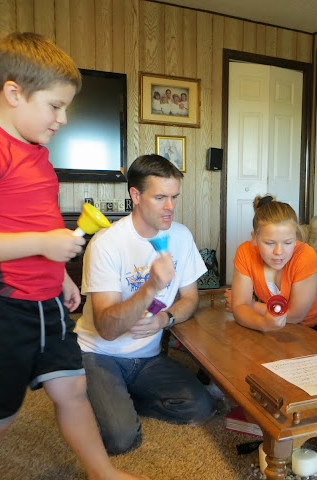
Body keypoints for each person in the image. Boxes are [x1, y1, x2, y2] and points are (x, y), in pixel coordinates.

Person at [0, 32, 145, 480]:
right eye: (55, 106)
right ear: (14, 93)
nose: (63, 118)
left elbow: (34, 223)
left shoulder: (38, 154)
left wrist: (60, 275)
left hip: (48, 304)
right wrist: (43, 244)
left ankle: (102, 472)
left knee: (73, 391)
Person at [75, 154, 214, 455]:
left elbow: (191, 298)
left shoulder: (181, 235)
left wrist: (165, 319)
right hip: (99, 354)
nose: (170, 206)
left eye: (174, 197)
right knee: (120, 438)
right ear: (136, 195)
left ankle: (118, 400)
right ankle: (99, 398)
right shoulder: (106, 244)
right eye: (160, 197)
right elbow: (107, 329)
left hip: (147, 357)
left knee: (201, 406)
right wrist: (151, 286)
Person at [225, 195, 317, 342]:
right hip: (282, 319)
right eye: (269, 243)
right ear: (254, 239)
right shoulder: (245, 252)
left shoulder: (306, 255)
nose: (279, 252)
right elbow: (239, 308)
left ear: (296, 238)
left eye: (288, 243)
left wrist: (252, 305)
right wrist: (263, 323)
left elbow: (296, 315)